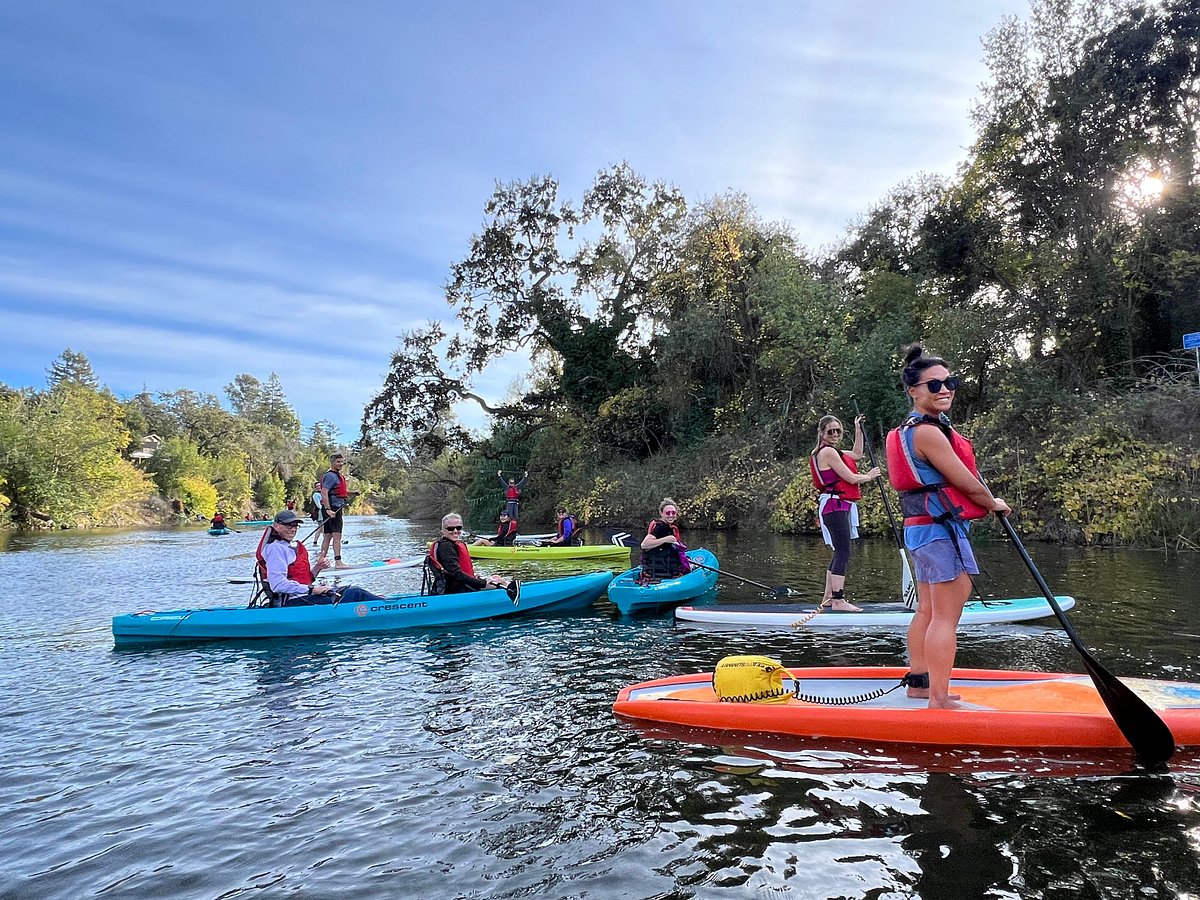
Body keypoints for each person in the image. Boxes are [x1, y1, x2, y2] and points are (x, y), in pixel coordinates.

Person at [886, 344, 1010, 709]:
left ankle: (921, 685)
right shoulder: (926, 433)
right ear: (913, 390)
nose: (945, 390)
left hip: (922, 530)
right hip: (939, 531)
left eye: (949, 383)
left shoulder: (911, 429)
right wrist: (994, 503)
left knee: (926, 610)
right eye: (934, 385)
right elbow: (968, 483)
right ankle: (939, 699)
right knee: (945, 616)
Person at [811, 414, 882, 611]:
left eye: (838, 431)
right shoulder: (827, 453)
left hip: (838, 506)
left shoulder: (834, 452)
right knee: (843, 551)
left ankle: (828, 597)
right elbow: (850, 478)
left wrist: (858, 428)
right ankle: (838, 600)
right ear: (822, 433)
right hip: (834, 506)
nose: (834, 434)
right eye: (830, 431)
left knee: (838, 551)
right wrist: (869, 476)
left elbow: (857, 454)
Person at [256, 510, 386, 607]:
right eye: (289, 526)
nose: (293, 529)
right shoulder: (275, 549)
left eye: (295, 526)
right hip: (293, 603)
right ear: (277, 526)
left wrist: (318, 568)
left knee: (354, 592)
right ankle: (387, 606)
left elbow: (302, 579)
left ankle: (382, 603)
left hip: (301, 597)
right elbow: (277, 585)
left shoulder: (285, 547)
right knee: (356, 593)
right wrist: (313, 589)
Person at [429, 512, 518, 596]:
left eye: (458, 528)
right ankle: (516, 592)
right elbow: (456, 574)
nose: (455, 531)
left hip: (461, 585)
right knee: (500, 582)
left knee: (496, 577)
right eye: (450, 528)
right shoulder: (445, 547)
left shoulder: (452, 544)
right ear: (443, 530)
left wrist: (474, 577)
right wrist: (481, 583)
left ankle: (515, 589)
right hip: (455, 590)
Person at [639, 498, 690, 580]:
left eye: (673, 513)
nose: (671, 515)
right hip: (663, 574)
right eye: (667, 513)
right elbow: (644, 545)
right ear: (661, 513)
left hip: (661, 573)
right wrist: (666, 539)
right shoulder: (660, 528)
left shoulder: (668, 527)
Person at [316, 453, 351, 569]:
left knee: (328, 535)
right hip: (333, 509)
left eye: (342, 462)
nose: (341, 464)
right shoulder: (331, 476)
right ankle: (338, 562)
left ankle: (321, 560)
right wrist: (328, 509)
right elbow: (324, 492)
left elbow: (337, 491)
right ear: (332, 463)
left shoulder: (336, 476)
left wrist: (352, 493)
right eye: (338, 462)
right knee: (337, 536)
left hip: (332, 508)